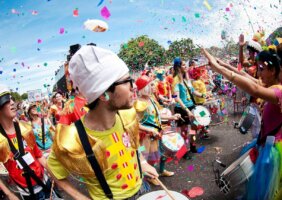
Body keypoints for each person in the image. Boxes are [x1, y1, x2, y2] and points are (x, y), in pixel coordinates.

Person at [47, 45, 158, 200]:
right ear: (103, 94)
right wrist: (80, 197)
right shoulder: (73, 138)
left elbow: (132, 144)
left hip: (142, 189)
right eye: (126, 82)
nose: (133, 87)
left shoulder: (127, 114)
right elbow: (53, 170)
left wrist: (143, 162)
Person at [202, 48, 282, 199]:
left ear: (272, 70)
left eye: (261, 69)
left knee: (268, 191)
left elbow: (254, 89)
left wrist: (218, 68)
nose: (258, 73)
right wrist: (220, 63)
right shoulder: (269, 86)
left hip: (274, 150)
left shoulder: (278, 92)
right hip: (264, 143)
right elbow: (243, 74)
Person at [0, 85, 53, 200]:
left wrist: (54, 174)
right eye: (6, 100)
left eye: (12, 99)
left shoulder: (26, 128)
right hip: (27, 193)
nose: (12, 103)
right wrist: (9, 194)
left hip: (45, 182)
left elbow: (38, 155)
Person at [134, 75, 180, 186]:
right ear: (143, 87)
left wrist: (171, 117)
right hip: (145, 138)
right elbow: (133, 123)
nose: (153, 86)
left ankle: (160, 171)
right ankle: (148, 177)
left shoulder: (151, 99)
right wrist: (148, 129)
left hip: (156, 133)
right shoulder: (137, 103)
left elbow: (158, 114)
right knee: (145, 157)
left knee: (156, 155)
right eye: (150, 85)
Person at [172, 57, 205, 157]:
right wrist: (187, 111)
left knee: (194, 127)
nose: (185, 66)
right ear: (178, 67)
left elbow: (192, 91)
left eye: (185, 64)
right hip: (182, 109)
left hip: (191, 107)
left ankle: (193, 146)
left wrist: (202, 95)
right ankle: (184, 151)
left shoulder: (187, 78)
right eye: (183, 65)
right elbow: (176, 98)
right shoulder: (175, 80)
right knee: (184, 131)